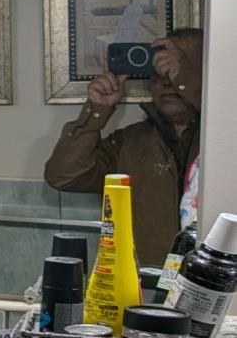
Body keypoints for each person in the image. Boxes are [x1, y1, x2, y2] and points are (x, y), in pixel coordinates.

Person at [44, 28, 202, 267]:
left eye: (180, 69)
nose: (168, 82)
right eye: (158, 70)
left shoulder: (224, 143)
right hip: (144, 284)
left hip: (216, 283)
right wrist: (96, 111)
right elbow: (64, 176)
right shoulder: (129, 142)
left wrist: (185, 83)